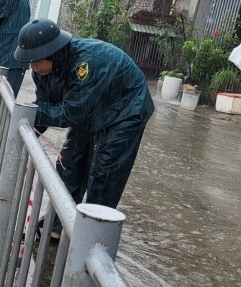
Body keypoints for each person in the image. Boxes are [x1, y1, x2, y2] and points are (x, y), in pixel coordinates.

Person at [14, 19, 154, 240]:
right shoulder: (41, 72)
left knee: (104, 171)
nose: (33, 67)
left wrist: (30, 113)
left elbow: (71, 113)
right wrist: (27, 131)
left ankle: (93, 234)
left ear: (51, 52)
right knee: (69, 163)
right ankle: (58, 227)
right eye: (29, 62)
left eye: (35, 60)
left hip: (125, 110)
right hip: (90, 110)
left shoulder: (86, 63)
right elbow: (46, 107)